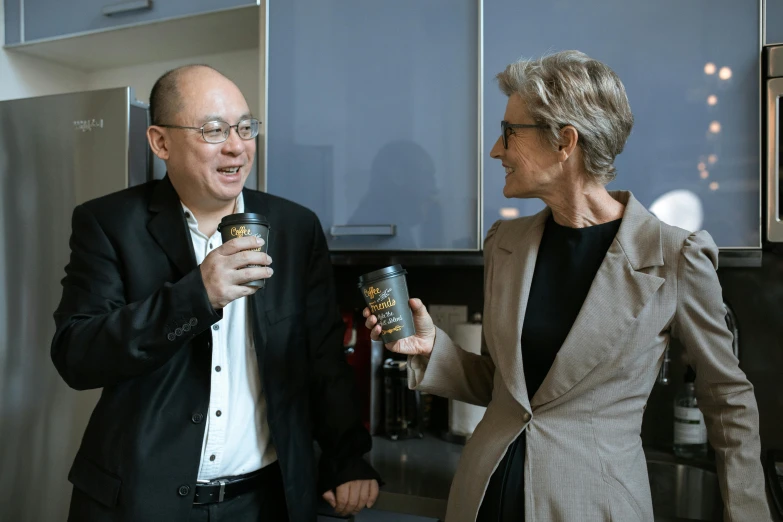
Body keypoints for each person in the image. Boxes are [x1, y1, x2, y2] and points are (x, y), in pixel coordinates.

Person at [363, 50, 771, 522]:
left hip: (593, 507)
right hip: (481, 499)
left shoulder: (673, 257)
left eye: (509, 133)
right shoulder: (506, 244)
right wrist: (432, 349)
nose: (497, 150)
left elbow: (728, 401)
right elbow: (507, 389)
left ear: (565, 142)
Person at [52, 64, 380, 522]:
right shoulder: (109, 224)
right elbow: (77, 355)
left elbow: (322, 355)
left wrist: (347, 457)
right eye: (213, 130)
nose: (237, 146)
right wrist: (196, 295)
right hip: (140, 500)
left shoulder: (293, 227)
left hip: (265, 502)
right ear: (161, 142)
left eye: (245, 128)